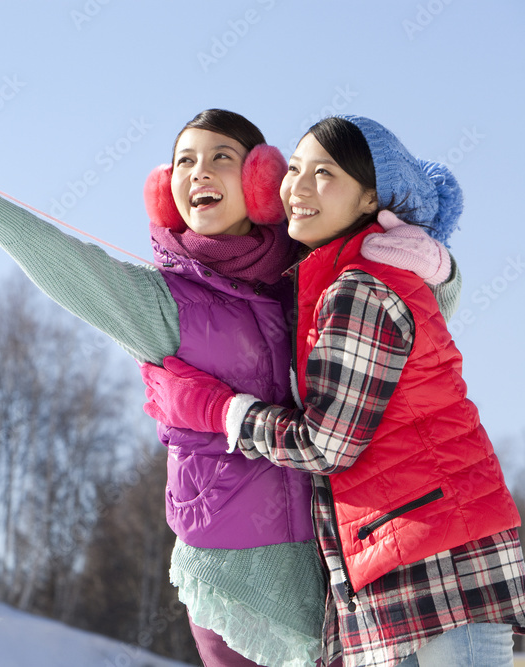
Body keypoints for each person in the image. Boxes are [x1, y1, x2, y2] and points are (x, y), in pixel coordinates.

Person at [0, 105, 460, 666]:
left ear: (261, 180)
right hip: (233, 569)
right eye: (186, 160)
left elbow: (413, 322)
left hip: (335, 555)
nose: (201, 172)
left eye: (222, 157)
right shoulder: (164, 302)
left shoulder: (308, 279)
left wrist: (441, 268)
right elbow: (67, 264)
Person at [140, 115, 525, 667]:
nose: (298, 188)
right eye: (293, 170)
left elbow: (328, 445)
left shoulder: (358, 289)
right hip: (404, 559)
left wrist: (226, 413)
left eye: (324, 174)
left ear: (370, 197)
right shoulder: (335, 278)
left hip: (434, 563)